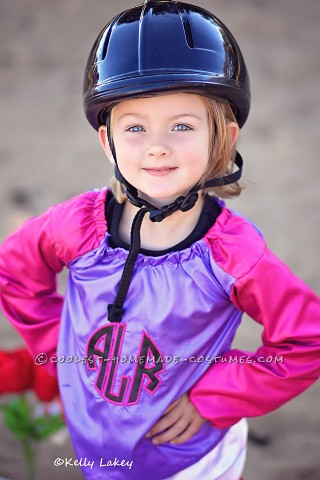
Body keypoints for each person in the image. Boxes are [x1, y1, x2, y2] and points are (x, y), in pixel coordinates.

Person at [0, 1, 319, 479]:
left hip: (190, 458)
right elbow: (14, 273)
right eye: (135, 127)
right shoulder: (77, 225)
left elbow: (305, 339)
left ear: (223, 140)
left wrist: (216, 398)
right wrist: (61, 352)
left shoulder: (233, 253)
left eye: (183, 126)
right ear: (107, 141)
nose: (157, 145)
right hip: (97, 449)